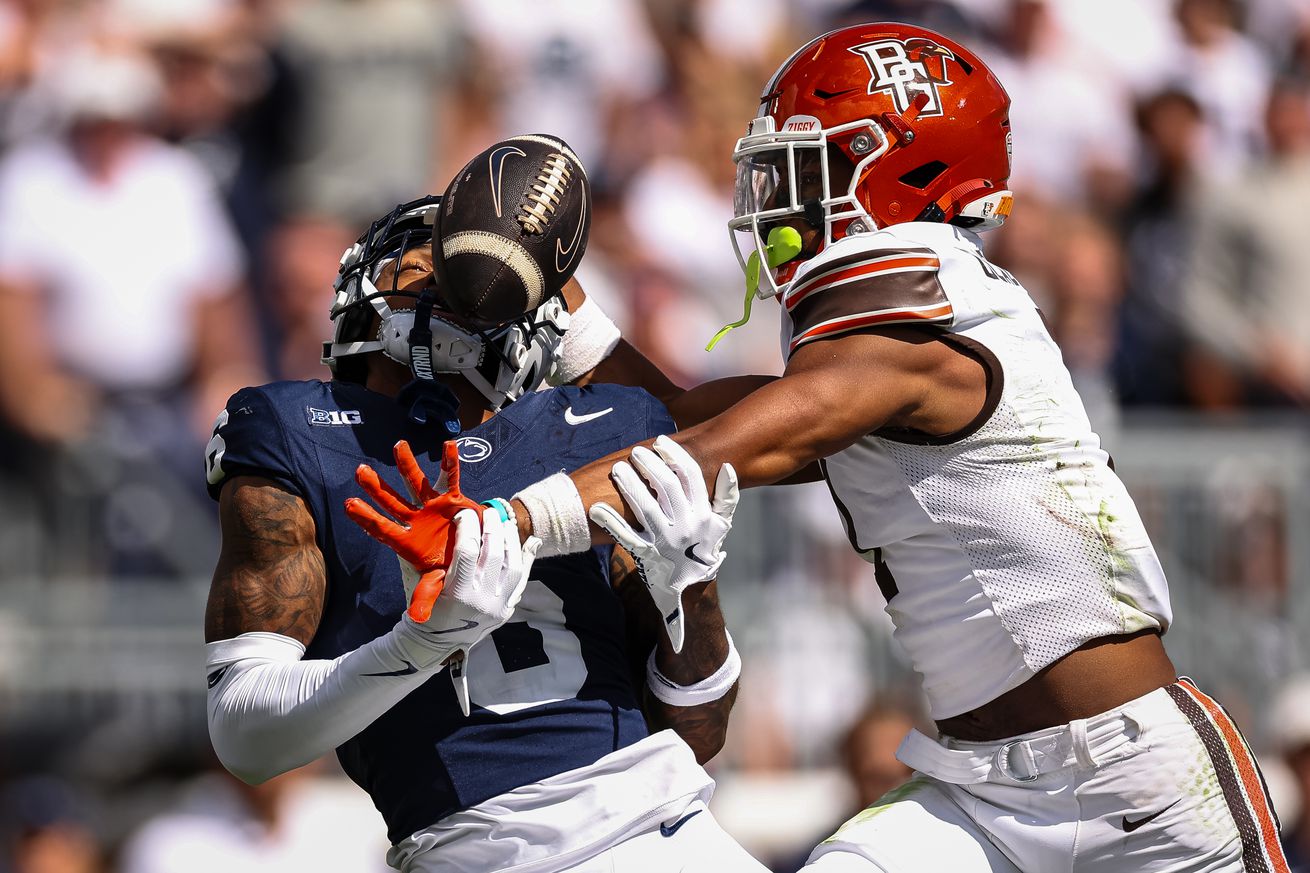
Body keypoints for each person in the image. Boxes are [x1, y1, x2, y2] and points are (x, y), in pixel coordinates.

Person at [406, 23, 1288, 872]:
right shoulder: (871, 352)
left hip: (1142, 784)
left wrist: (507, 522)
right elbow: (670, 416)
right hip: (983, 791)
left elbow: (703, 454)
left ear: (907, 167)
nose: (777, 198)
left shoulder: (924, 329)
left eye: (812, 166)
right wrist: (569, 308)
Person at [201, 196, 769, 873]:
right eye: (426, 260)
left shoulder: (596, 425)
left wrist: (692, 590)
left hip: (665, 827)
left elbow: (697, 734)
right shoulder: (297, 430)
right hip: (474, 852)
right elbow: (245, 737)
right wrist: (423, 642)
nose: (450, 277)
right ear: (365, 285)